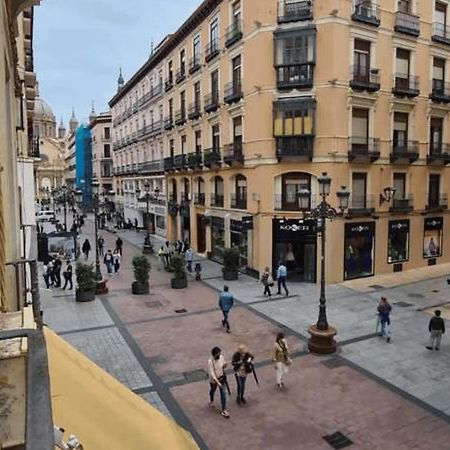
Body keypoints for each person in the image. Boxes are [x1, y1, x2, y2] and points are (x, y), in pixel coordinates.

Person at [208, 347, 230, 419]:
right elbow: (212, 373)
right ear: (214, 355)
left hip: (222, 378)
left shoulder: (221, 357)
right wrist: (217, 382)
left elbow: (223, 365)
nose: (219, 355)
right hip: (214, 380)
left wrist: (225, 365)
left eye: (220, 353)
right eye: (218, 354)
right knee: (213, 390)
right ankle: (211, 400)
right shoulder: (210, 361)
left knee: (223, 393)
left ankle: (224, 409)